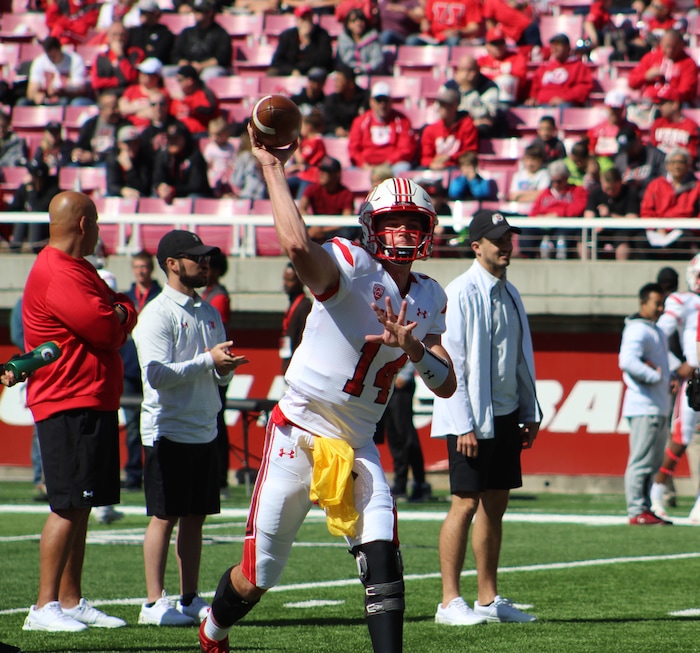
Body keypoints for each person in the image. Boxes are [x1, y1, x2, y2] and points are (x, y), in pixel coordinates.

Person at [198, 131, 457, 652]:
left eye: (413, 223)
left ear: (430, 230)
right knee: (259, 575)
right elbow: (296, 245)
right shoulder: (352, 265)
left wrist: (414, 350)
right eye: (392, 222)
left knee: (382, 553)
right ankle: (214, 629)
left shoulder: (430, 294)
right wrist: (272, 169)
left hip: (359, 441)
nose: (403, 233)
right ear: (371, 227)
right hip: (298, 430)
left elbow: (446, 383)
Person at [21, 190, 137, 632]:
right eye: (98, 223)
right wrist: (124, 308)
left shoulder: (76, 269)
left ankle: (69, 600)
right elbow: (109, 327)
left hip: (87, 398)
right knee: (67, 505)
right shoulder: (59, 272)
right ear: (85, 224)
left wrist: (120, 307)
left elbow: (114, 310)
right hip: (68, 399)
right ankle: (43, 606)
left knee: (81, 505)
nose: (100, 231)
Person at [431, 208, 541, 627]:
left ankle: (487, 598)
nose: (507, 245)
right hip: (472, 420)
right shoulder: (460, 292)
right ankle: (448, 601)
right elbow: (450, 358)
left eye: (509, 237)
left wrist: (529, 411)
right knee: (464, 503)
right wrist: (462, 422)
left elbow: (519, 358)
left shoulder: (510, 292)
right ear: (476, 247)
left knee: (496, 504)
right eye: (499, 239)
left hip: (507, 414)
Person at [134, 230, 247, 627]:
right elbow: (158, 376)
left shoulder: (209, 311)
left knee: (196, 516)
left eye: (206, 257)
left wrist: (222, 370)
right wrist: (207, 360)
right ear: (172, 264)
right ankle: (152, 603)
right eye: (195, 258)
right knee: (164, 517)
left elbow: (214, 375)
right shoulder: (156, 314)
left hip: (204, 427)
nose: (205, 264)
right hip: (168, 429)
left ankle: (188, 597)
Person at [650, 254, 700, 523]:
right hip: (695, 380)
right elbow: (658, 335)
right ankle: (657, 492)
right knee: (680, 439)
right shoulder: (684, 301)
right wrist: (677, 365)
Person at [619, 282, 673, 525]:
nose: (661, 308)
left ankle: (646, 507)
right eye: (656, 303)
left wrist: (668, 377)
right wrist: (656, 376)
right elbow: (627, 360)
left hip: (657, 405)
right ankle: (636, 509)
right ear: (643, 303)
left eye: (663, 303)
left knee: (652, 462)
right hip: (644, 405)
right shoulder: (637, 329)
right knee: (641, 460)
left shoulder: (655, 329)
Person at [120, 250, 162, 491]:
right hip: (128, 367)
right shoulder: (125, 297)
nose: (141, 271)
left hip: (152, 367)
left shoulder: (160, 296)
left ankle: (155, 474)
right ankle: (134, 474)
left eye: (145, 266)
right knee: (133, 427)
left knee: (156, 423)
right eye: (137, 267)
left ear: (151, 268)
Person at [201, 251, 234, 498]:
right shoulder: (209, 294)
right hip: (211, 362)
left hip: (217, 363)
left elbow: (214, 331)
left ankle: (220, 476)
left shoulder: (218, 297)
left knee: (217, 420)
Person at [375, 361, 430, 502]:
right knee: (394, 437)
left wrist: (405, 375)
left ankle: (419, 483)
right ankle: (401, 483)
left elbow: (413, 344)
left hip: (400, 386)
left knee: (405, 435)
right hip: (386, 385)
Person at [640, 147, 700, 257]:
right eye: (673, 162)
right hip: (659, 229)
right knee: (639, 240)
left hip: (684, 231)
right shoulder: (655, 185)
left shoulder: (697, 187)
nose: (677, 166)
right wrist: (657, 227)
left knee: (685, 242)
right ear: (667, 165)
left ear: (688, 165)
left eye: (681, 162)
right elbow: (646, 211)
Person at [348, 81, 418, 175]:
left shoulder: (402, 121)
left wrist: (387, 164)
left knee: (403, 168)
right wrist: (364, 165)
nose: (382, 104)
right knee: (349, 172)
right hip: (367, 166)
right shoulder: (360, 121)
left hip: (392, 166)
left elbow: (406, 149)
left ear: (391, 101)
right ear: (371, 101)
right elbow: (353, 149)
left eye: (385, 100)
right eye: (379, 100)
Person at [583, 167, 640, 260]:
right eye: (607, 188)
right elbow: (588, 216)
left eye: (614, 189)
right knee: (584, 242)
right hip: (601, 231)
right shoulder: (596, 193)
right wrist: (598, 222)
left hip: (622, 232)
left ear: (620, 183)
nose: (610, 192)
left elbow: (632, 219)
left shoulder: (630, 193)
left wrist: (610, 215)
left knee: (623, 246)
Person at [628, 29, 698, 105]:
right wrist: (646, 76)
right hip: (649, 102)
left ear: (681, 45)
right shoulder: (650, 58)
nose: (669, 51)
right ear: (661, 44)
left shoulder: (688, 63)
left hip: (674, 104)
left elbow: (686, 92)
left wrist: (662, 93)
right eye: (667, 46)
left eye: (673, 47)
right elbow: (632, 83)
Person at [526, 33, 594, 108]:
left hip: (565, 105)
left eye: (558, 44)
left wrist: (564, 98)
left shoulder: (579, 67)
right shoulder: (544, 68)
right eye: (552, 45)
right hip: (541, 105)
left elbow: (583, 88)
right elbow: (535, 86)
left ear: (567, 47)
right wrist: (533, 98)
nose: (554, 47)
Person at [419, 85, 478, 171]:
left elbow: (470, 152)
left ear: (454, 106)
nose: (439, 108)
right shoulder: (430, 129)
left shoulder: (467, 125)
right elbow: (425, 157)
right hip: (434, 167)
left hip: (457, 167)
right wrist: (431, 163)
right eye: (439, 104)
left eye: (444, 105)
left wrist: (450, 158)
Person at [171, 0, 232, 81]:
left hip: (209, 68)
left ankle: (204, 93)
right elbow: (176, 54)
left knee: (209, 75)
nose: (196, 13)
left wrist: (201, 65)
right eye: (195, 10)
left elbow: (221, 58)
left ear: (210, 12)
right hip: (189, 67)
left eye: (200, 11)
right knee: (167, 72)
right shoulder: (187, 32)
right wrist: (183, 63)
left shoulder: (221, 33)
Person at [8, 161, 61, 254]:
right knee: (22, 216)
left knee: (34, 218)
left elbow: (40, 208)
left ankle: (34, 248)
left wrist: (32, 192)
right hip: (25, 224)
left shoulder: (52, 190)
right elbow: (14, 207)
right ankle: (15, 247)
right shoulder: (25, 187)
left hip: (44, 226)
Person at [299, 156, 356, 243]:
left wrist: (322, 230)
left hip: (335, 230)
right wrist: (313, 226)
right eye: (321, 170)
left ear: (337, 174)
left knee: (347, 232)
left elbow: (346, 219)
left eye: (327, 171)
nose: (321, 174)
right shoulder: (312, 188)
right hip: (315, 227)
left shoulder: (346, 193)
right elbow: (301, 209)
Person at [446, 56, 504, 139]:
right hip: (454, 125)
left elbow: (484, 115)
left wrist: (468, 89)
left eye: (470, 70)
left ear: (478, 70)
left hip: (478, 130)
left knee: (482, 128)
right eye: (462, 70)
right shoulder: (449, 87)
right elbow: (441, 112)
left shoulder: (489, 86)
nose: (466, 74)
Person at [23, 36, 91, 107]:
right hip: (46, 98)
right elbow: (31, 91)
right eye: (49, 56)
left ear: (60, 49)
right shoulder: (39, 62)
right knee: (23, 103)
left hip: (66, 98)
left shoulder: (75, 60)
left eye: (54, 55)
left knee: (74, 103)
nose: (52, 59)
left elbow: (80, 89)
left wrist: (62, 90)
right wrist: (36, 96)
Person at [153, 121, 212, 202]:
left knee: (193, 198)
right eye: (170, 138)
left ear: (184, 138)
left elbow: (197, 185)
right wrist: (160, 186)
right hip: (169, 194)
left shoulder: (195, 156)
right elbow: (157, 178)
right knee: (154, 196)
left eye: (176, 138)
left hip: (193, 196)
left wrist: (174, 190)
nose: (172, 142)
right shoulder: (163, 156)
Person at [269, 5, 334, 76]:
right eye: (303, 19)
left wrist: (308, 41)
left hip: (313, 72)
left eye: (309, 18)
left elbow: (325, 59)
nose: (306, 22)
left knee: (317, 72)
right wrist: (292, 71)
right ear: (297, 21)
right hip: (292, 72)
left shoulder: (322, 35)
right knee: (272, 72)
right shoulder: (287, 35)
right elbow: (277, 61)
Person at [71, 91, 130, 167]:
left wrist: (95, 157)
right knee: (72, 166)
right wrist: (78, 152)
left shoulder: (124, 125)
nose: (117, 110)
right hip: (90, 163)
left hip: (112, 164)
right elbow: (81, 145)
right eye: (113, 108)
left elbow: (124, 151)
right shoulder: (91, 124)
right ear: (102, 111)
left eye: (117, 106)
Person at [91, 21, 145, 96]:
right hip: (107, 95)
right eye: (114, 34)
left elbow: (130, 77)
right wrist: (118, 81)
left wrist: (121, 55)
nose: (118, 38)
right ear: (108, 37)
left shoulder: (135, 53)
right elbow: (96, 83)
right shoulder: (101, 56)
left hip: (128, 95)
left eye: (122, 35)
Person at [477, 27, 528, 106]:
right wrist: (501, 74)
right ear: (487, 46)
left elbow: (520, 80)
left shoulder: (516, 57)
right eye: (494, 43)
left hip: (509, 100)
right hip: (485, 100)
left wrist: (492, 74)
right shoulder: (482, 61)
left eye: (501, 42)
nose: (499, 47)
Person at [649, 85, 700, 164]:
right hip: (659, 167)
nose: (659, 107)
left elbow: (691, 155)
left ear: (675, 104)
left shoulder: (691, 126)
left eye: (662, 103)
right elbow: (651, 151)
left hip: (679, 169)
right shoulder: (657, 124)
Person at [587, 90, 641, 159]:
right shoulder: (595, 130)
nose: (615, 112)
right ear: (607, 108)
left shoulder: (632, 129)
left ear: (623, 109)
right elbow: (591, 151)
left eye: (618, 109)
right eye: (612, 109)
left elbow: (637, 149)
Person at [170, 64, 221, 136]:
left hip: (200, 135)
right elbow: (171, 116)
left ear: (189, 81)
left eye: (180, 80)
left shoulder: (204, 93)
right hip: (180, 136)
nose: (178, 83)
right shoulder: (177, 98)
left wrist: (186, 100)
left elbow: (208, 110)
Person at [279, 262, 312, 375]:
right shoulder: (292, 304)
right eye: (284, 279)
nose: (285, 283)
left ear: (301, 281)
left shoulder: (304, 306)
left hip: (299, 369)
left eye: (290, 280)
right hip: (289, 363)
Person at [106, 124, 153, 199]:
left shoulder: (145, 159)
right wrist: (123, 190)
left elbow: (144, 187)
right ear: (119, 144)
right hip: (119, 197)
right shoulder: (114, 159)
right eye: (128, 143)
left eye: (135, 143)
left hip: (139, 197)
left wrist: (130, 169)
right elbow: (111, 186)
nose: (132, 147)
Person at [119, 57, 169, 128]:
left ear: (157, 77)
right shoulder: (131, 89)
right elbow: (123, 109)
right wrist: (144, 108)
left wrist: (132, 109)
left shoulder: (163, 93)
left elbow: (156, 114)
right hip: (130, 127)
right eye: (141, 72)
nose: (142, 75)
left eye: (147, 73)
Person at [336, 8, 387, 76]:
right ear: (348, 24)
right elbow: (342, 61)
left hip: (369, 75)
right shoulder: (343, 40)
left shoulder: (373, 38)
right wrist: (353, 69)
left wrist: (363, 69)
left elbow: (377, 61)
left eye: (361, 20)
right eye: (353, 21)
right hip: (348, 74)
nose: (358, 23)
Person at [322, 66, 369, 137]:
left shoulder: (365, 98)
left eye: (339, 80)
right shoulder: (331, 99)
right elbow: (328, 121)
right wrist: (336, 129)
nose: (336, 83)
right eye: (336, 80)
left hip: (359, 133)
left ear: (350, 83)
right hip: (337, 135)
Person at [128, 0, 176, 64]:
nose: (141, 14)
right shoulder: (134, 31)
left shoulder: (165, 33)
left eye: (144, 12)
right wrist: (146, 48)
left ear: (155, 14)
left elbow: (158, 54)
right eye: (141, 12)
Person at [203, 117, 236, 198]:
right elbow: (207, 163)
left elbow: (233, 160)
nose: (215, 137)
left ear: (226, 134)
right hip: (215, 174)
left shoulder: (231, 147)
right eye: (213, 135)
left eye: (218, 135)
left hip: (227, 173)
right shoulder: (210, 148)